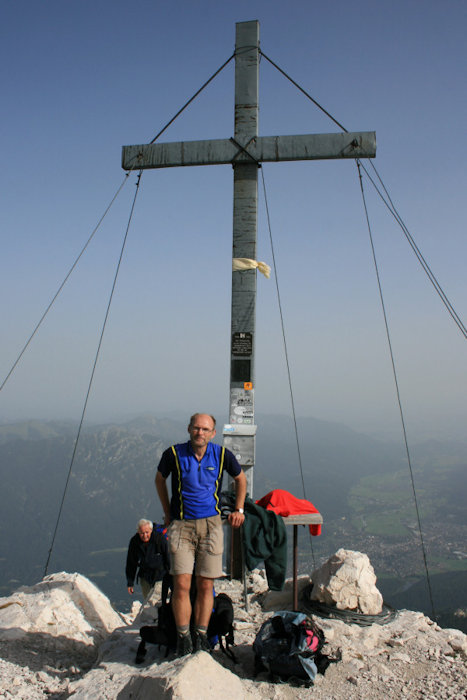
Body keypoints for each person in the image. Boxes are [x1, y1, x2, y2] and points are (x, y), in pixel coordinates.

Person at [155, 412, 246, 656]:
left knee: (206, 584)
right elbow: (159, 479)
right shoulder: (173, 454)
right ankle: (183, 637)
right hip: (181, 525)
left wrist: (239, 509)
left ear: (213, 433)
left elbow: (240, 478)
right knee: (181, 583)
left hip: (212, 526)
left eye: (205, 429)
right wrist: (167, 512)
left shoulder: (222, 454)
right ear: (189, 429)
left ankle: (201, 635)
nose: (200, 433)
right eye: (196, 428)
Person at [126, 519, 169, 601]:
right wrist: (130, 582)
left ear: (151, 531)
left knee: (160, 602)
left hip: (161, 576)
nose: (145, 535)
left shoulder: (159, 539)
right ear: (138, 532)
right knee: (149, 602)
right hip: (145, 577)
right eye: (142, 533)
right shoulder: (135, 542)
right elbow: (131, 563)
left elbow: (168, 558)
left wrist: (171, 577)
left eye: (147, 532)